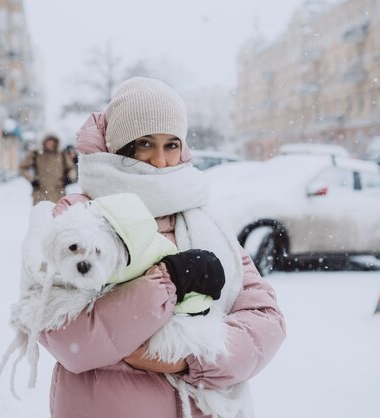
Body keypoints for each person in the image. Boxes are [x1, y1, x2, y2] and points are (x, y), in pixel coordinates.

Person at [34, 77, 286, 417]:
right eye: (145, 143)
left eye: (171, 145)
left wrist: (190, 357)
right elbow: (65, 337)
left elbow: (265, 319)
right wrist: (168, 282)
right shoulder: (80, 215)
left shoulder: (203, 217)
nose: (160, 159)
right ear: (120, 146)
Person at [19, 135, 76, 204]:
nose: (50, 143)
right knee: (41, 214)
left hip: (58, 195)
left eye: (52, 141)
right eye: (48, 141)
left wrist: (69, 178)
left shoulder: (62, 155)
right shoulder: (36, 154)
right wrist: (32, 179)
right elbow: (22, 168)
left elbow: (72, 169)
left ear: (56, 142)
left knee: (57, 214)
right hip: (40, 195)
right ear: (44, 141)